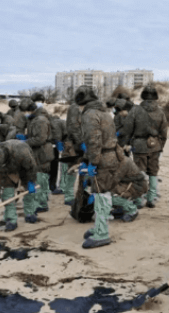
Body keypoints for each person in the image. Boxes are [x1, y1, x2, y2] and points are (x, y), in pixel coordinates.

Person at [75, 85, 122, 249]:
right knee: (103, 193)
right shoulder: (105, 113)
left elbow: (93, 141)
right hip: (111, 155)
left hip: (101, 159)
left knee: (101, 196)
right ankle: (99, 227)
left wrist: (92, 162)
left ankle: (102, 233)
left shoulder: (89, 115)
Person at [121, 85, 168, 208]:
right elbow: (164, 132)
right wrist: (160, 146)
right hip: (155, 145)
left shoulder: (135, 110)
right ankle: (151, 199)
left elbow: (128, 129)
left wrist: (126, 143)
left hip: (139, 146)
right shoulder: (160, 111)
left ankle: (139, 199)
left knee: (139, 172)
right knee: (153, 172)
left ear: (143, 96)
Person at [0, 140, 39, 231]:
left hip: (24, 168)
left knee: (28, 191)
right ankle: (11, 220)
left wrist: (31, 181)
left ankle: (30, 213)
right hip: (8, 171)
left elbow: (31, 167)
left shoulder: (21, 151)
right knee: (7, 194)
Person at [21, 97, 54, 214]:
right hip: (39, 152)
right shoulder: (34, 119)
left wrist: (25, 142)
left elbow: (40, 139)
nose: (24, 114)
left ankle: (41, 203)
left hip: (42, 152)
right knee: (41, 178)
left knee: (40, 178)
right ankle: (42, 202)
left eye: (25, 111)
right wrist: (26, 138)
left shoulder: (40, 120)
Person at [62, 101, 83, 206]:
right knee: (72, 171)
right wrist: (81, 142)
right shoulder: (75, 108)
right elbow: (74, 129)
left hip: (78, 144)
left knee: (80, 171)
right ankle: (69, 196)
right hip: (74, 146)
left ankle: (79, 194)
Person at [49, 114, 67, 194]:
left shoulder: (48, 122)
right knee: (56, 168)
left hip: (48, 147)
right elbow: (65, 133)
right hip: (56, 146)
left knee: (50, 168)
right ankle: (55, 187)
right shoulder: (61, 122)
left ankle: (50, 187)